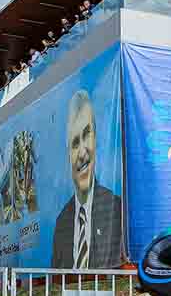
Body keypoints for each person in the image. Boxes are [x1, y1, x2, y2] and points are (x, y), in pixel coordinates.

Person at [51, 89, 123, 268]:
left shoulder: (116, 209)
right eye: (75, 143)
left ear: (96, 139)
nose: (83, 152)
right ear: (68, 155)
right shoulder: (62, 223)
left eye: (86, 135)